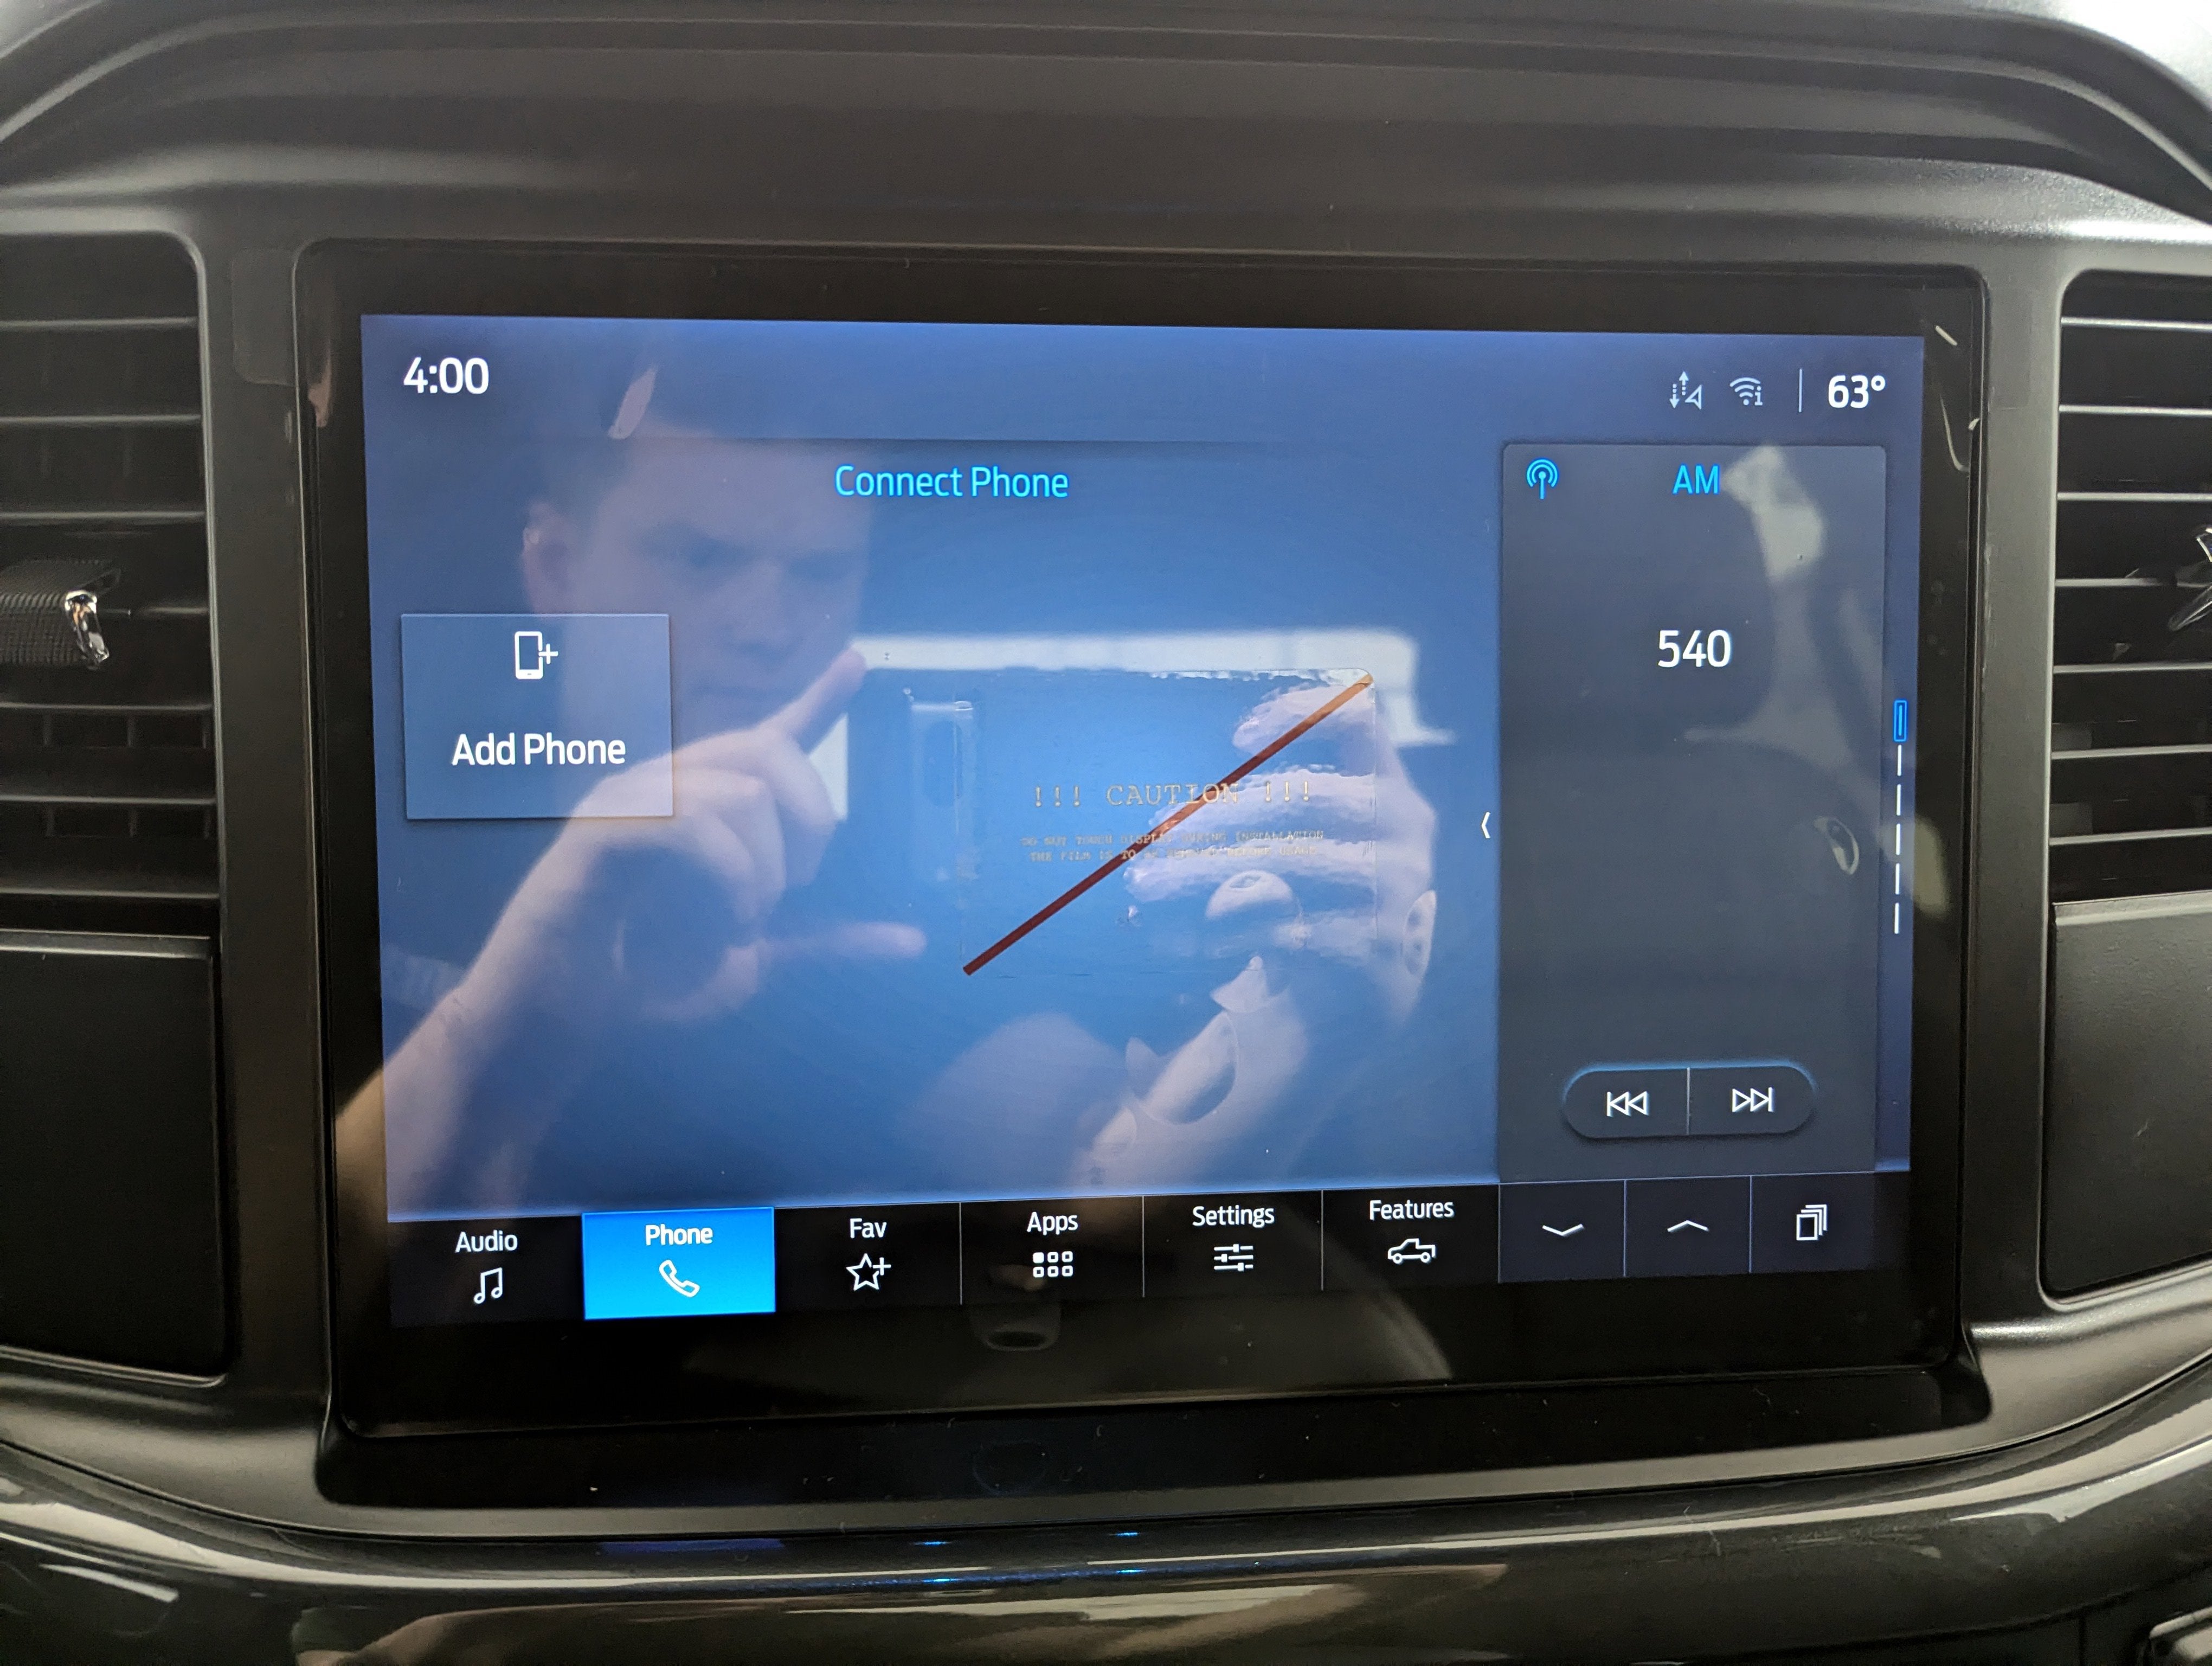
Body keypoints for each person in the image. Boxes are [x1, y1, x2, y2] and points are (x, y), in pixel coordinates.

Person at [352, 367, 1441, 1223]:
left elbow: (1090, 1182)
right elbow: (310, 1264)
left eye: (820, 572)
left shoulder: (858, 872)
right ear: (554, 567)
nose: (767, 625)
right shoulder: (375, 836)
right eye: (697, 557)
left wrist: (1313, 1013)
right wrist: (503, 1026)